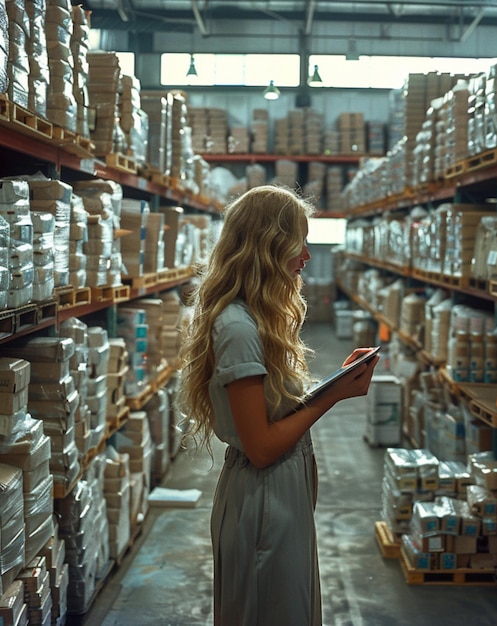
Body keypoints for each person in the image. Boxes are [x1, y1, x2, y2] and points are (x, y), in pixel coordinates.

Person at [177, 185, 379, 626]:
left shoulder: (254, 317)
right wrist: (333, 395)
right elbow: (262, 447)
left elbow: (271, 413)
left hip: (279, 496)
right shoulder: (237, 326)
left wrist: (333, 383)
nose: (306, 255)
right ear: (267, 243)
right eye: (299, 242)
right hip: (263, 500)